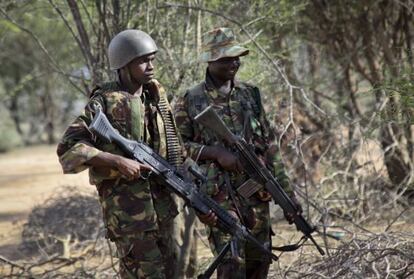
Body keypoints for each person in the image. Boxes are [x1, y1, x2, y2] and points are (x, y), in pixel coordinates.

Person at [175, 27, 302, 279]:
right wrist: (214, 153)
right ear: (210, 61)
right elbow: (178, 148)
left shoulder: (250, 95)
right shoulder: (192, 99)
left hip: (256, 194)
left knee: (259, 264)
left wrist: (287, 195)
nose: (234, 62)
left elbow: (269, 146)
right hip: (220, 199)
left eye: (236, 57)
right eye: (226, 58)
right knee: (231, 267)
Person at [57, 29, 182, 279]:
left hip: (164, 210)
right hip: (129, 217)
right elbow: (68, 148)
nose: (150, 66)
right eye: (143, 60)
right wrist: (116, 160)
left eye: (153, 59)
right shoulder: (104, 102)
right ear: (125, 65)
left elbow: (176, 150)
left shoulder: (155, 98)